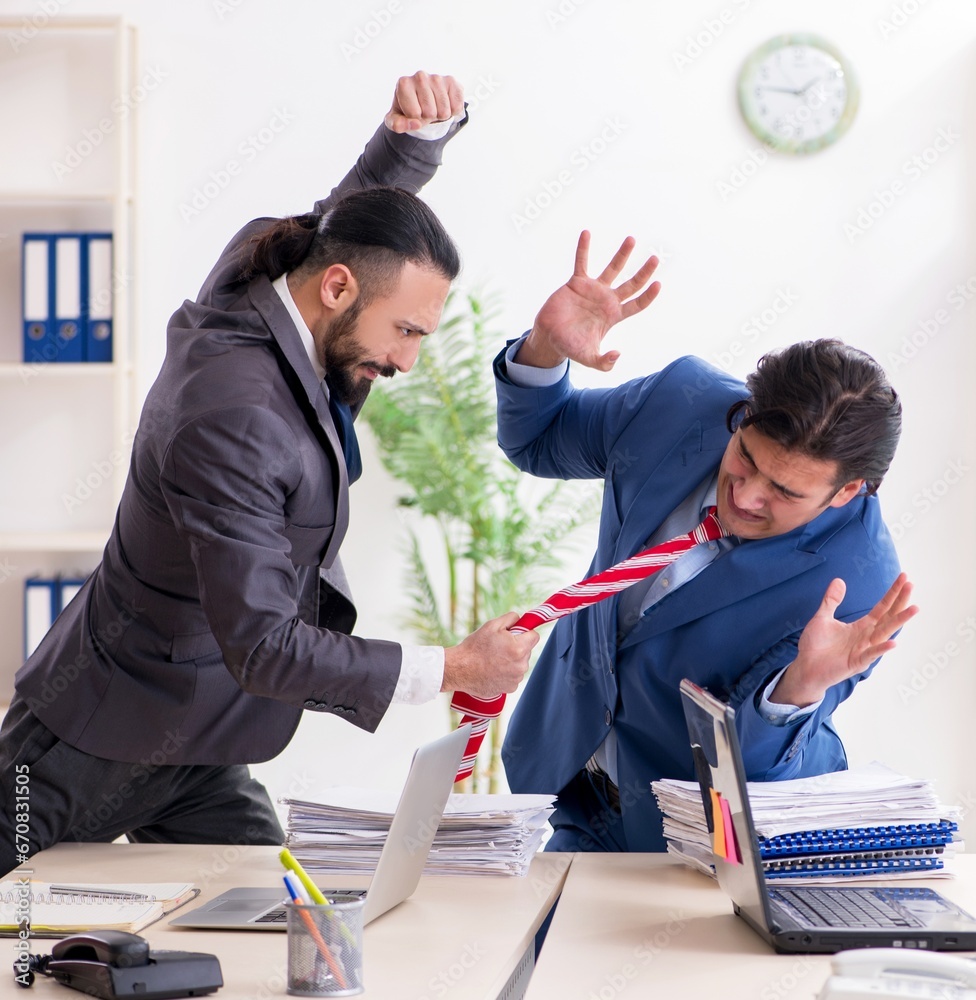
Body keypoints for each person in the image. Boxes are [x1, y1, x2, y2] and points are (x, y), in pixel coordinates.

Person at [0, 72, 537, 876]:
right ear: (338, 291)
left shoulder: (265, 274)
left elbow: (338, 230)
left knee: (294, 928)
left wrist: (406, 146)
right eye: (406, 331)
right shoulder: (234, 415)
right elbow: (264, 644)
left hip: (202, 735)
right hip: (92, 735)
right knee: (17, 936)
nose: (407, 360)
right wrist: (453, 668)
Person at [497, 231, 917, 852]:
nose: (746, 497)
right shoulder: (680, 404)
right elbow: (540, 441)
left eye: (784, 491)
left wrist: (800, 686)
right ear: (744, 413)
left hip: (695, 842)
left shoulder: (862, 584)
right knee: (531, 946)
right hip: (565, 780)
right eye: (745, 458)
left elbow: (747, 770)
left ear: (848, 492)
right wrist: (543, 351)